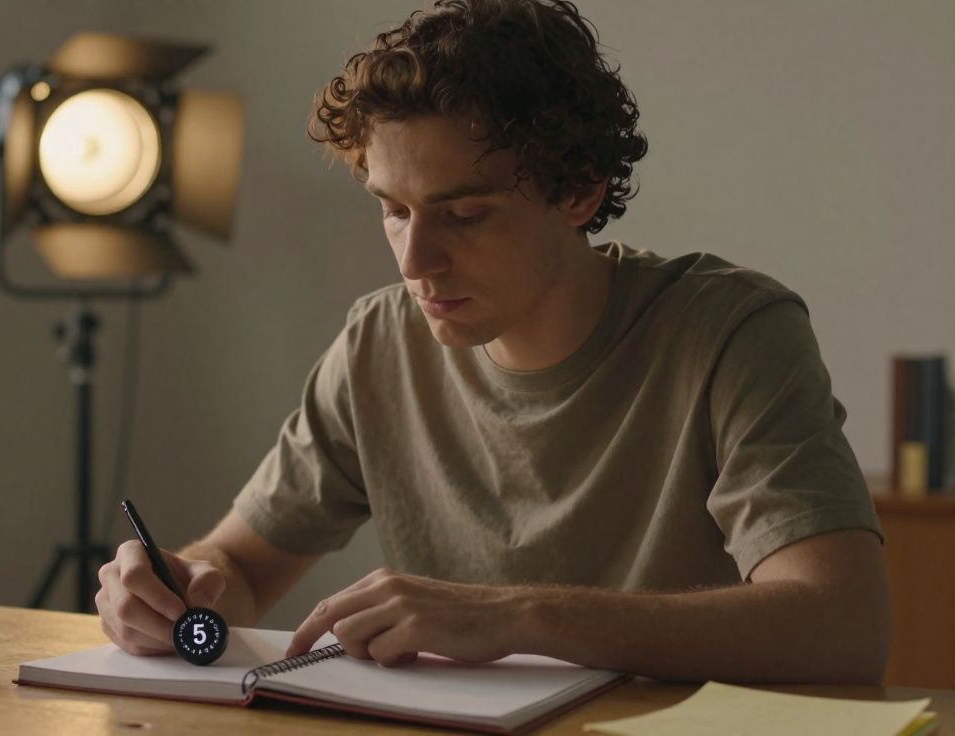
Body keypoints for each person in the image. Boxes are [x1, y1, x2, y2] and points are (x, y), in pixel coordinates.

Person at [95, 0, 890, 684]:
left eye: (464, 215)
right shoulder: (380, 343)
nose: (415, 261)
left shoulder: (728, 333)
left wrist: (522, 616)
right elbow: (238, 570)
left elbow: (844, 626)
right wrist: (180, 588)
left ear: (578, 190)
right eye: (393, 210)